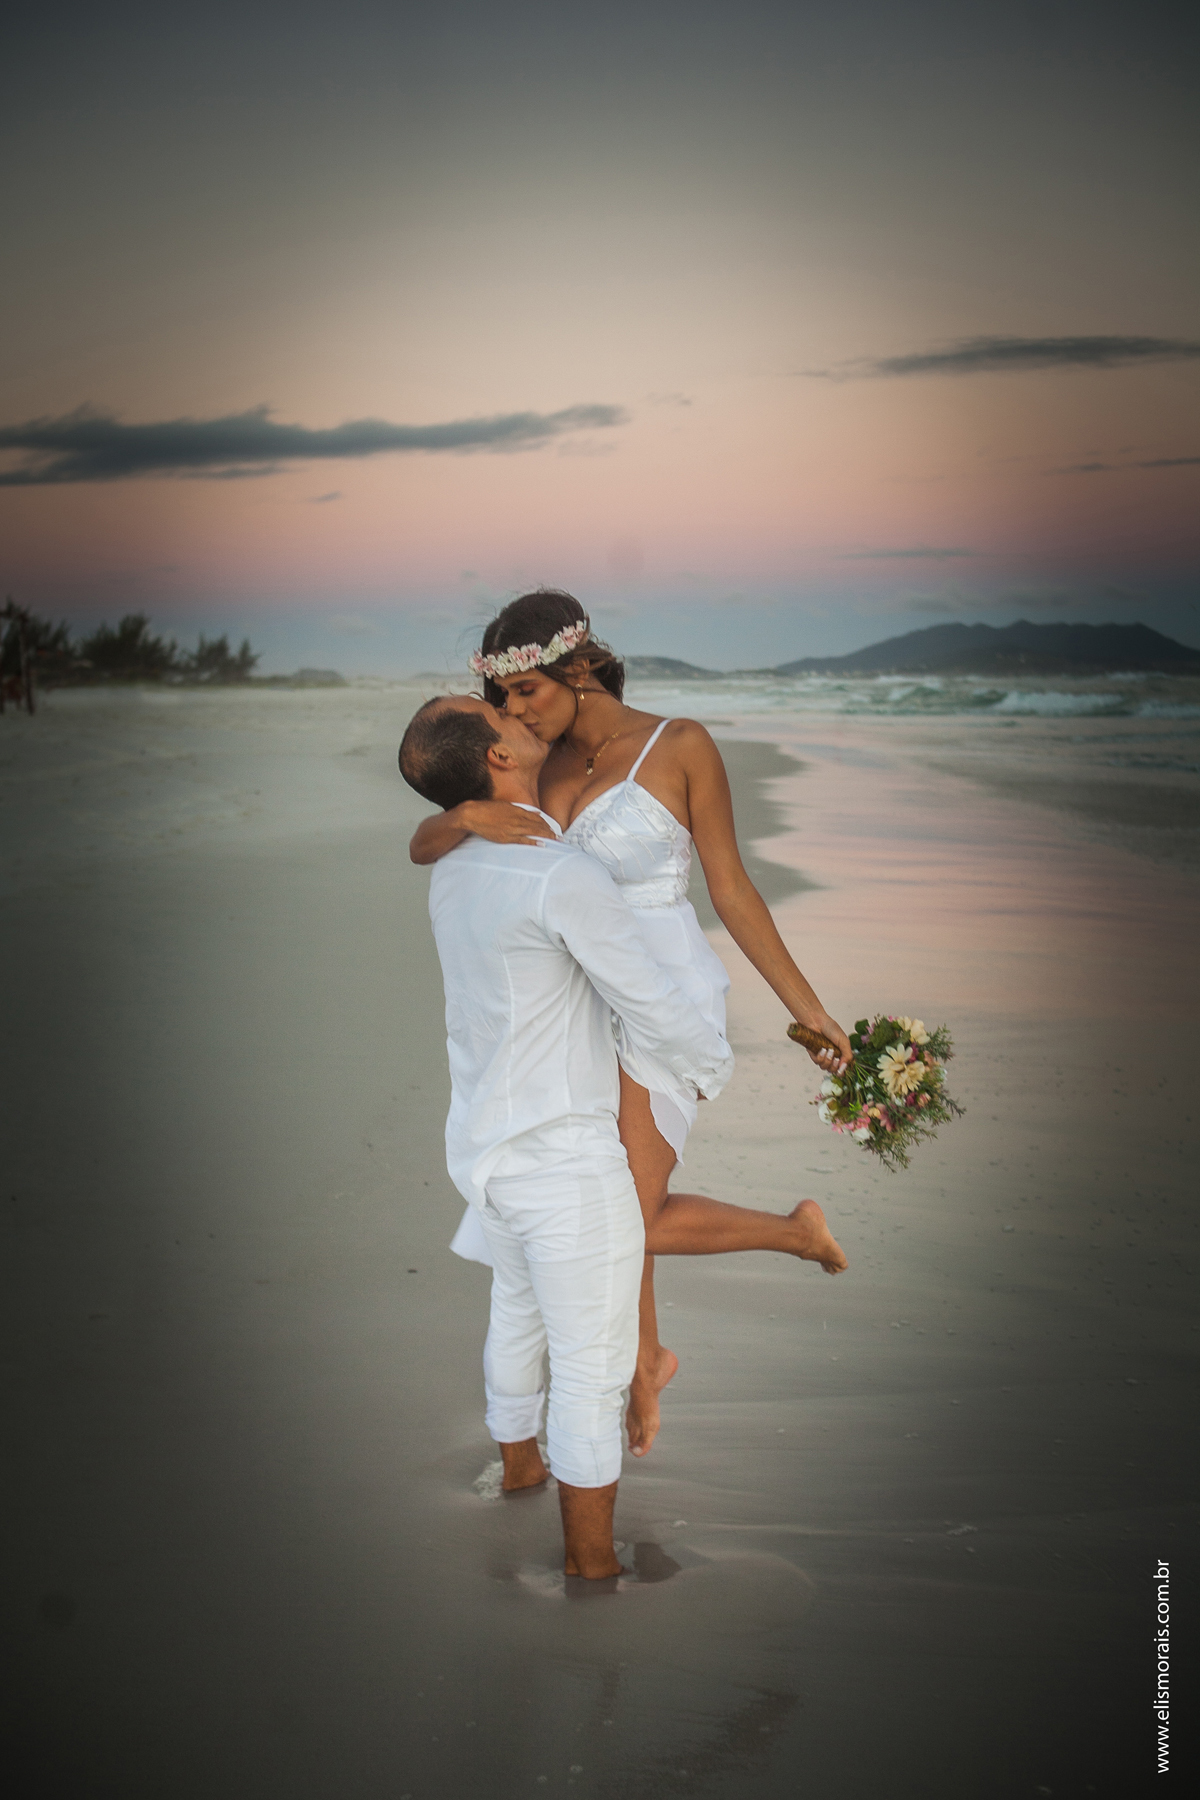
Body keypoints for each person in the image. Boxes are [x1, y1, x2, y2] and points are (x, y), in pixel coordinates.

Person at [410, 591, 850, 1459]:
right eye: (503, 702)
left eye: (528, 691)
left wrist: (811, 1011)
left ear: (577, 669)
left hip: (661, 995)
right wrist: (460, 815)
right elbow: (428, 836)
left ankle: (791, 1237)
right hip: (574, 999)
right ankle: (645, 1358)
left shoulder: (678, 745)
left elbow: (730, 889)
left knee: (624, 1215)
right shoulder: (531, 766)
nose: (515, 712)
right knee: (607, 1189)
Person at [398, 690, 738, 1578]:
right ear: (499, 762)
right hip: (567, 1161)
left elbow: (435, 837)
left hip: (485, 1152)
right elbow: (650, 1003)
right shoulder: (559, 876)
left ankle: (519, 1468)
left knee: (518, 1314)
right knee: (590, 1374)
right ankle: (592, 1570)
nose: (526, 724)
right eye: (507, 722)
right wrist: (712, 1063)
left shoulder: (456, 866)